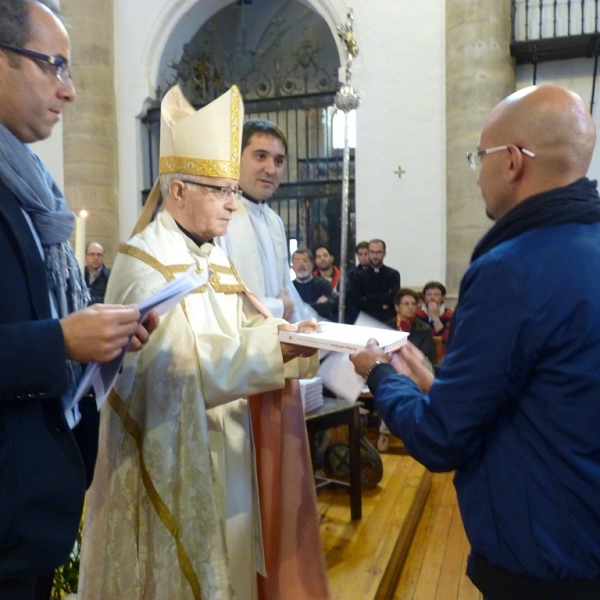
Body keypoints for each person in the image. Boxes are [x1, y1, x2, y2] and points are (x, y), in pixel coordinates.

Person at [350, 84, 600, 600]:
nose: (476, 171)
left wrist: (378, 373)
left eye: (478, 157)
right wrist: (434, 382)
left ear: (511, 161)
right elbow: (542, 397)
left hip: (544, 561)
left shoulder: (511, 269)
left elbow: (442, 439)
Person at [79, 85, 320, 600]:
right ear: (179, 190)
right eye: (221, 189)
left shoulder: (211, 254)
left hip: (228, 442)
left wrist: (283, 335)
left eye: (234, 189)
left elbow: (237, 327)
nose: (234, 204)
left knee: (231, 571)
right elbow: (176, 368)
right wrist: (274, 353)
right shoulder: (143, 262)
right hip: (172, 453)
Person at [0, 2, 157, 599]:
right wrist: (63, 339)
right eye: (55, 66)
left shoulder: (29, 185)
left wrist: (105, 343)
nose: (68, 91)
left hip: (29, 509)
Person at [216, 119, 329, 599]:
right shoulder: (225, 215)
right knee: (255, 491)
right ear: (236, 158)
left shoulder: (274, 219)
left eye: (279, 160)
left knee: (284, 491)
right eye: (260, 156)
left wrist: (315, 327)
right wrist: (286, 310)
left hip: (278, 361)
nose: (271, 168)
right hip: (249, 370)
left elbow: (284, 295)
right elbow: (240, 300)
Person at [377, 288, 435, 452]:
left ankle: (388, 429)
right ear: (397, 307)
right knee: (387, 376)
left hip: (417, 369)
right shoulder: (386, 326)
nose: (410, 307)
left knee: (398, 380)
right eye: (405, 304)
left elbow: (427, 355)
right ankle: (388, 428)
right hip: (391, 365)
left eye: (413, 304)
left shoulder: (423, 328)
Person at [348, 238, 400, 323]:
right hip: (366, 319)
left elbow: (393, 298)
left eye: (379, 252)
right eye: (372, 252)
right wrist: (380, 306)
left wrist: (368, 297)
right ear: (368, 253)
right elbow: (356, 301)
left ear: (384, 254)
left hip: (389, 319)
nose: (375, 256)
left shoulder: (393, 274)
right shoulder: (358, 276)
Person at [292, 247, 334, 319]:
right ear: (292, 266)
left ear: (312, 264)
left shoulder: (324, 284)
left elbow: (326, 307)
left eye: (305, 261)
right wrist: (315, 305)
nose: (301, 265)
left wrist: (297, 307)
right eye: (297, 261)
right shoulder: (290, 287)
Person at [415, 280, 453, 356]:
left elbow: (446, 339)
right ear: (424, 297)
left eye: (436, 294)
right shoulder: (416, 313)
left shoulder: (450, 314)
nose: (432, 297)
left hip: (443, 354)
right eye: (428, 294)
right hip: (419, 352)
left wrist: (435, 317)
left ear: (443, 297)